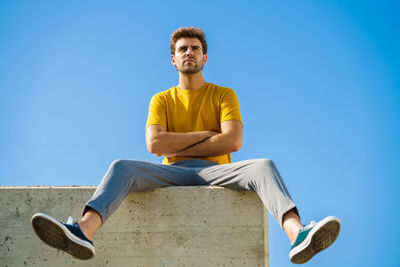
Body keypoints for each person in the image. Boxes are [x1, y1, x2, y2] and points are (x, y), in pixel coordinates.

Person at [31, 27, 340, 264]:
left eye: (195, 48)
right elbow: (155, 144)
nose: (189, 52)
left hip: (220, 171)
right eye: (182, 49)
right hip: (171, 173)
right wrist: (205, 135)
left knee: (264, 166)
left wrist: (175, 144)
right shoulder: (161, 99)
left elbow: (233, 140)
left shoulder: (224, 94)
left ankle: (297, 234)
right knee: (121, 167)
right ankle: (83, 232)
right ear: (173, 59)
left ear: (205, 57)